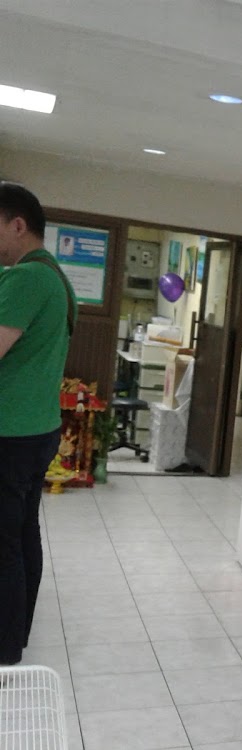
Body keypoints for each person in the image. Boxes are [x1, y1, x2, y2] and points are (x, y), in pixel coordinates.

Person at [0, 182, 76, 666]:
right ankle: (16, 635)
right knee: (22, 532)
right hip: (38, 427)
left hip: (10, 430)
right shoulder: (55, 277)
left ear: (17, 225)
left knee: (4, 543)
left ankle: (4, 647)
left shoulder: (26, 279)